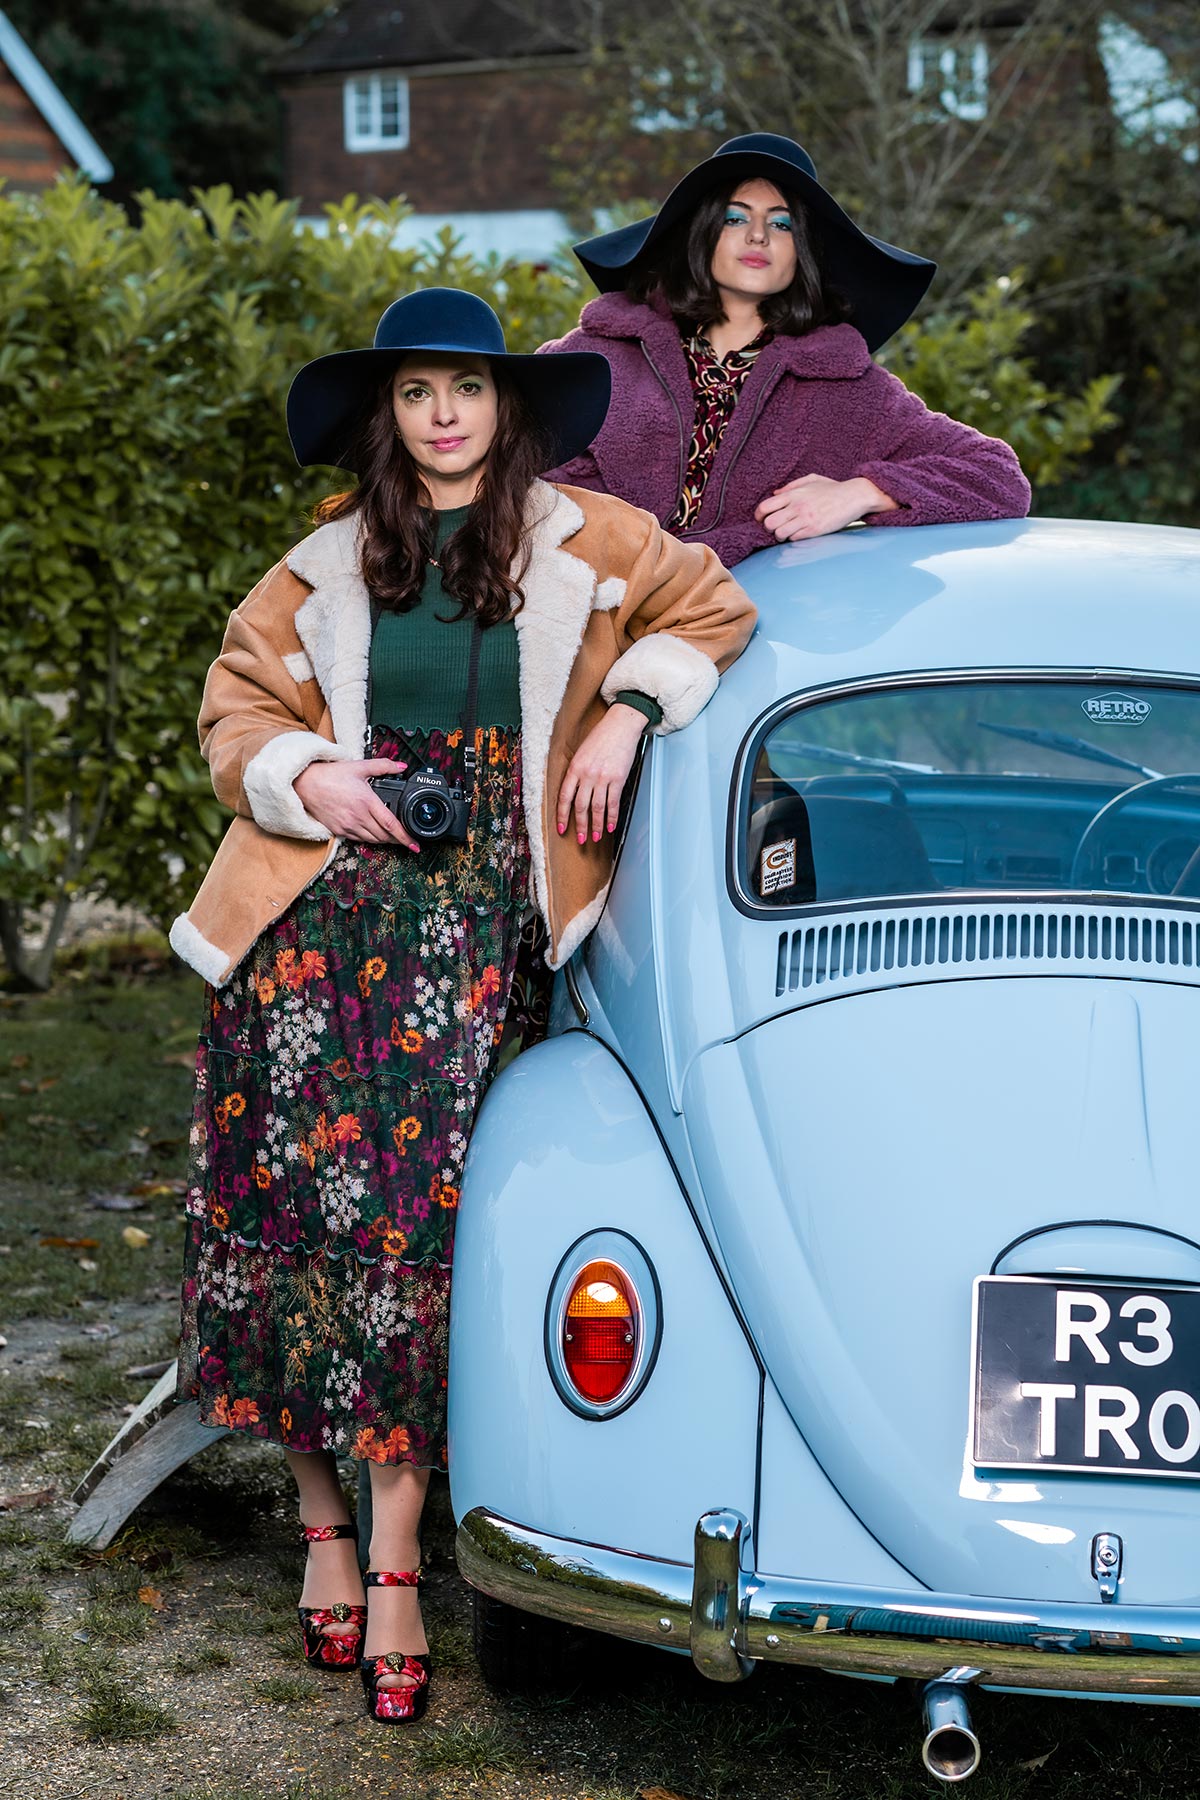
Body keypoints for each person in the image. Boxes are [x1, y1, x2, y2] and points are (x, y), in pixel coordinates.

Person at [168, 288, 755, 1725]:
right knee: (296, 1225)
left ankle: (400, 1562)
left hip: (480, 940)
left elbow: (715, 605)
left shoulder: (586, 540)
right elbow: (233, 711)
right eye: (419, 392)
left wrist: (628, 706)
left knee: (423, 1238)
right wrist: (310, 775)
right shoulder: (320, 562)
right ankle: (328, 1534)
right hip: (314, 934)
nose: (444, 414)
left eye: (468, 391)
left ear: (507, 412)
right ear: (392, 415)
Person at [540, 133, 1031, 569]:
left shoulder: (847, 388)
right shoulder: (600, 351)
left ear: (803, 252)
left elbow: (998, 476)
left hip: (746, 642)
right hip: (579, 613)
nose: (758, 236)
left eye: (783, 225)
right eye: (736, 218)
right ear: (703, 233)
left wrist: (860, 493)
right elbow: (498, 459)